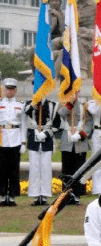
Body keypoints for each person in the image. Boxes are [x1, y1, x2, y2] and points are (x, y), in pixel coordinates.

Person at [54, 92, 93, 205]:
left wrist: (81, 135)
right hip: (67, 140)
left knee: (79, 169)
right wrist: (69, 103)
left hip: (79, 141)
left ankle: (77, 194)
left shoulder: (84, 106)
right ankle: (66, 194)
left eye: (75, 93)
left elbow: (89, 123)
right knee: (67, 169)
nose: (74, 95)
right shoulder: (63, 105)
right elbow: (60, 114)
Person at [24, 97, 59, 206]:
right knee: (34, 168)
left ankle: (44, 195)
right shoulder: (30, 103)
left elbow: (57, 124)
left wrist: (47, 133)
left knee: (45, 168)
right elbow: (27, 112)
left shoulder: (52, 105)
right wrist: (35, 103)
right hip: (33, 139)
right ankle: (35, 196)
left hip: (46, 140)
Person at [0, 78, 26, 207]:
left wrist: (23, 142)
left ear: (15, 90)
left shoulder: (20, 105)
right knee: (2, 169)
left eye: (12, 89)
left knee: (14, 169)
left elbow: (24, 124)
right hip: (2, 139)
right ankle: (3, 195)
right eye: (7, 89)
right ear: (4, 90)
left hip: (15, 139)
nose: (9, 91)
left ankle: (12, 196)